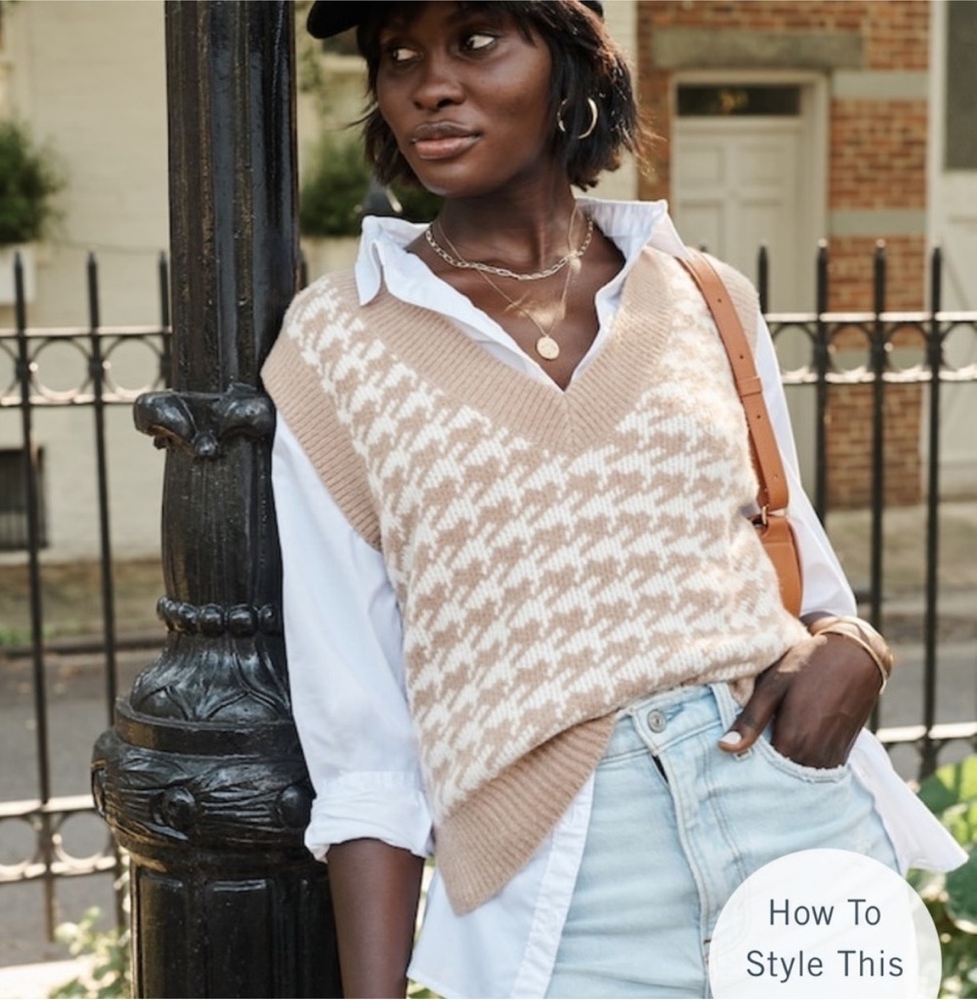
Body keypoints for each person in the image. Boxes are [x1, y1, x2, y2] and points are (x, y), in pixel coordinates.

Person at [262, 3, 963, 997]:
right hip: (568, 888)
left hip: (796, 820)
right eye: (397, 56)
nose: (429, 82)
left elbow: (792, 559)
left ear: (570, 69)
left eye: (473, 41)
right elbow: (360, 727)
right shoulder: (338, 342)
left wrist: (853, 646)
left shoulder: (701, 295)